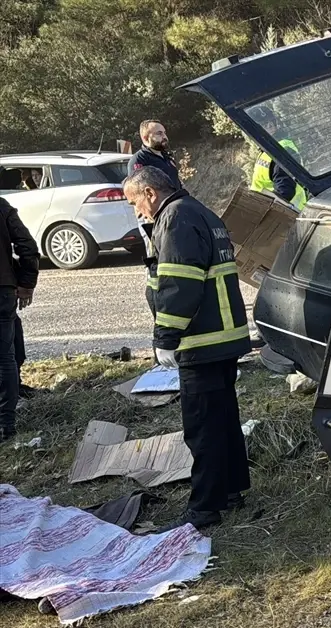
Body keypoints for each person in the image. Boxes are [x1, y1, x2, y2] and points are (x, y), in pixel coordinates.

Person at [122, 166, 252, 531]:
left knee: (202, 428)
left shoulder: (176, 219)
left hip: (202, 340)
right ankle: (230, 491)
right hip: (221, 336)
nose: (137, 211)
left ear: (150, 193)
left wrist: (165, 337)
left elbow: (180, 285)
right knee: (223, 420)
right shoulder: (198, 211)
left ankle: (204, 508)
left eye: (136, 202)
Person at [0, 197, 40, 442]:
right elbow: (28, 246)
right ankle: (6, 424)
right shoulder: (2, 206)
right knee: (5, 356)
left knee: (6, 356)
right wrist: (25, 283)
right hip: (3, 289)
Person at [249, 108, 308, 211]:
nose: (269, 125)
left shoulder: (281, 150)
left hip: (287, 214)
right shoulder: (268, 149)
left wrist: (267, 211)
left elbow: (285, 190)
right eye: (264, 124)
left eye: (270, 122)